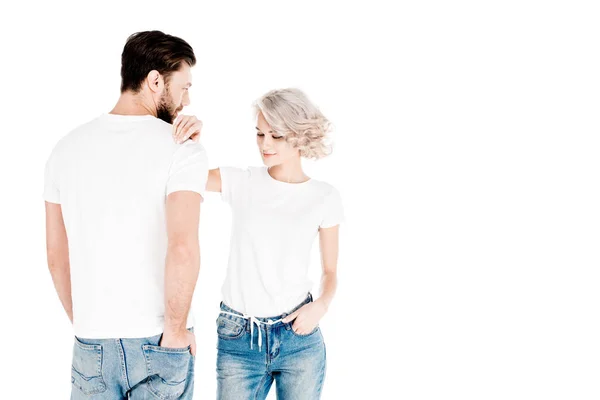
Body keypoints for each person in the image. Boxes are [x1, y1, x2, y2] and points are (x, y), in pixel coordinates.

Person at [43, 30, 207, 399]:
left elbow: (56, 257)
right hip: (159, 340)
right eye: (183, 87)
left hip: (90, 340)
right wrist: (177, 332)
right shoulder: (182, 150)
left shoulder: (64, 150)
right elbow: (182, 248)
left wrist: (88, 324)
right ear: (154, 80)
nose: (187, 100)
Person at [175, 88, 344, 399]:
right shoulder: (243, 181)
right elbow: (186, 176)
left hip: (299, 337)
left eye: (276, 136)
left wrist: (320, 306)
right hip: (239, 338)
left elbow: (330, 272)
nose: (265, 144)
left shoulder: (325, 197)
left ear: (299, 135)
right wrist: (191, 146)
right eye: (260, 134)